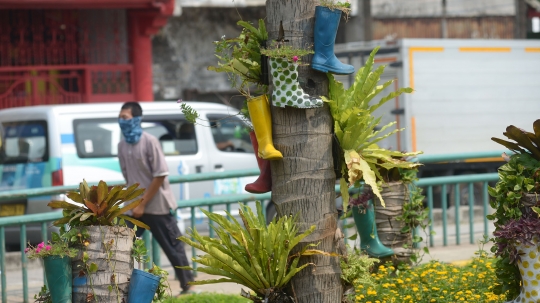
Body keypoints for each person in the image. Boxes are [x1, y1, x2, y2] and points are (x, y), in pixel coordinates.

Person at [117, 102, 195, 295]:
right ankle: (119, 287)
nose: (122, 121)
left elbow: (160, 175)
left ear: (136, 119)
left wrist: (142, 203)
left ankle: (189, 286)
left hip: (156, 204)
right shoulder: (121, 145)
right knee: (122, 247)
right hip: (134, 207)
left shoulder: (150, 141)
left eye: (125, 117)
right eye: (120, 118)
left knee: (172, 244)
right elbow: (128, 177)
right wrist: (134, 203)